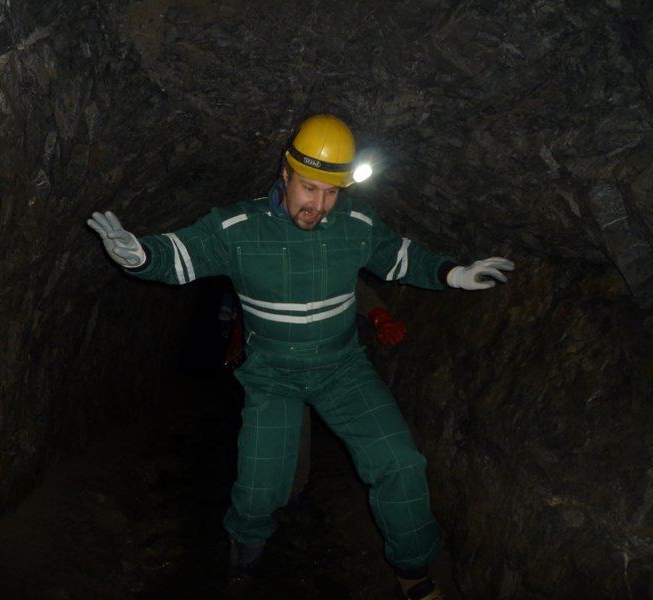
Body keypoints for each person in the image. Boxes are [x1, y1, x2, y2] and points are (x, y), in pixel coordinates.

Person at [87, 114, 514, 600]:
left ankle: (414, 574)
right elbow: (180, 255)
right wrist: (140, 256)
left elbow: (398, 255)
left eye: (331, 192)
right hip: (272, 375)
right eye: (309, 188)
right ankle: (242, 569)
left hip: (342, 368)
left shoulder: (354, 224)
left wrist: (452, 274)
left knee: (401, 463)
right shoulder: (236, 227)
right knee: (259, 490)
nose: (319, 205)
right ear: (285, 173)